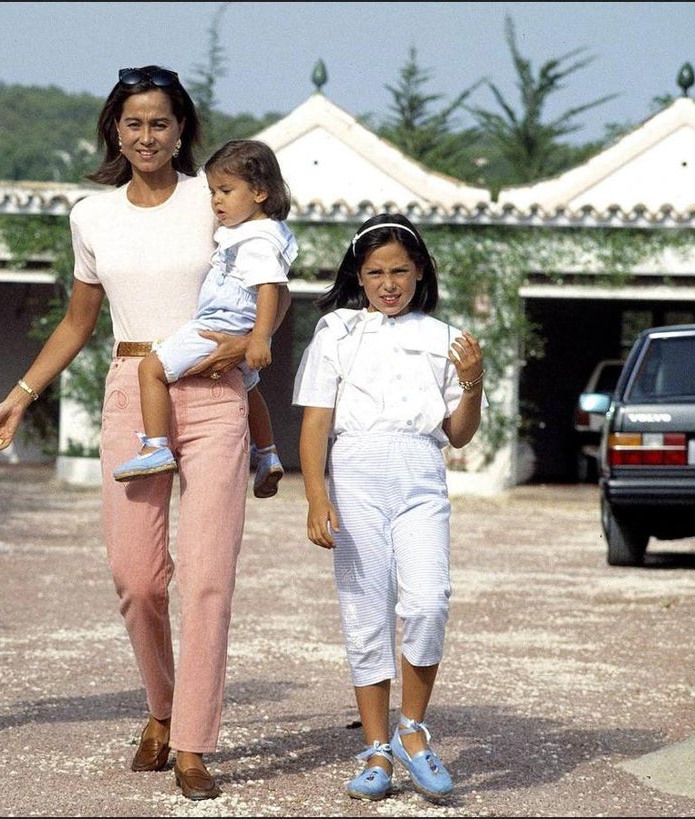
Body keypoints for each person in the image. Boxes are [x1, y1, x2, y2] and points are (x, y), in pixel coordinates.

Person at [0, 66, 286, 801]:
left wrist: (248, 348)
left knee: (207, 578)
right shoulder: (92, 216)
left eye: (161, 123)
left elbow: (266, 278)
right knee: (137, 578)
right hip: (131, 389)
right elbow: (80, 321)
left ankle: (192, 743)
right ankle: (162, 705)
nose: (148, 135)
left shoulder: (215, 204)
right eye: (134, 122)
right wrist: (19, 396)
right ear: (115, 128)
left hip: (213, 393)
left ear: (183, 131)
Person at [292, 213, 486, 802]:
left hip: (420, 473)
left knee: (428, 602)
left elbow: (459, 434)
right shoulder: (338, 331)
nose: (388, 283)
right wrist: (316, 496)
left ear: (420, 270)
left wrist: (474, 382)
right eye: (375, 272)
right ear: (359, 274)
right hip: (354, 475)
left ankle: (412, 731)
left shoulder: (445, 337)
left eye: (400, 270)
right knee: (364, 609)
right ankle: (376, 749)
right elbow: (316, 422)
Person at [111, 139, 295, 502]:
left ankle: (156, 446)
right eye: (213, 192)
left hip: (218, 325)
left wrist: (260, 339)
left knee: (150, 370)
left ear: (259, 192)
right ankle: (268, 451)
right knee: (249, 388)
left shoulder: (257, 239)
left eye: (226, 191)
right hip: (237, 327)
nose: (217, 201)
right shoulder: (262, 232)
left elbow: (270, 287)